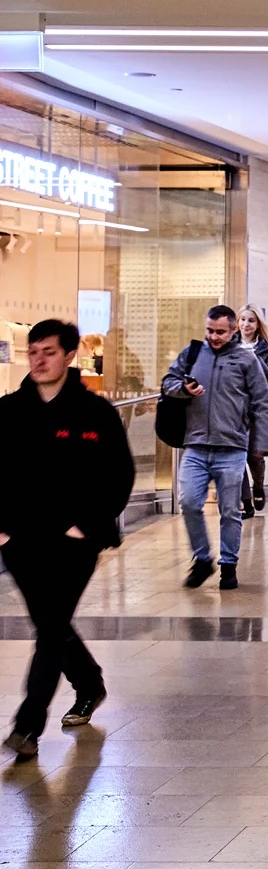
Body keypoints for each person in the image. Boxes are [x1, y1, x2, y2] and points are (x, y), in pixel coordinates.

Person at [0, 320, 133, 760]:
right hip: (20, 541)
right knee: (51, 625)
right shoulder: (8, 411)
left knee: (52, 628)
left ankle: (27, 727)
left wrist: (88, 526)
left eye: (49, 352)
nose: (39, 360)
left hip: (75, 542)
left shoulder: (95, 413)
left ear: (70, 355)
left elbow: (119, 474)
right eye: (33, 351)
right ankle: (89, 683)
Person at [162, 306, 268, 591]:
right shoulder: (193, 353)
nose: (214, 336)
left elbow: (262, 403)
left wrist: (260, 444)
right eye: (210, 330)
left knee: (230, 510)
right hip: (196, 445)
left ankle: (228, 565)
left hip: (231, 447)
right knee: (189, 502)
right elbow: (168, 382)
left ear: (233, 330)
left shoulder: (247, 360)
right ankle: (202, 559)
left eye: (220, 332)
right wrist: (183, 389)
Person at [234, 305, 268, 518]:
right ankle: (246, 503)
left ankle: (258, 486)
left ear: (258, 325)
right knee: (236, 456)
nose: (245, 324)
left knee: (254, 456)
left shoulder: (267, 350)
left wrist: (253, 358)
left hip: (256, 409)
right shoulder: (230, 345)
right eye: (242, 319)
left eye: (251, 320)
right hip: (233, 409)